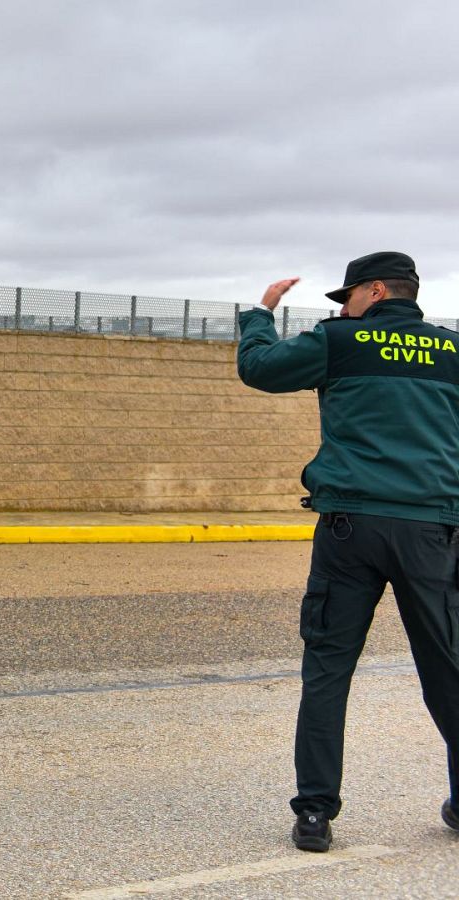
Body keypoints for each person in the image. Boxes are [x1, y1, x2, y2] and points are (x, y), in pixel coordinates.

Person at [236, 250, 459, 853]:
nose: (345, 306)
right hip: (431, 532)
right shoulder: (453, 352)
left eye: (350, 296)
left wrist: (261, 313)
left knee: (329, 670)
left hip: (350, 529)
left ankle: (315, 813)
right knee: (449, 671)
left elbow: (258, 368)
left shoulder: (340, 342)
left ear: (377, 291)